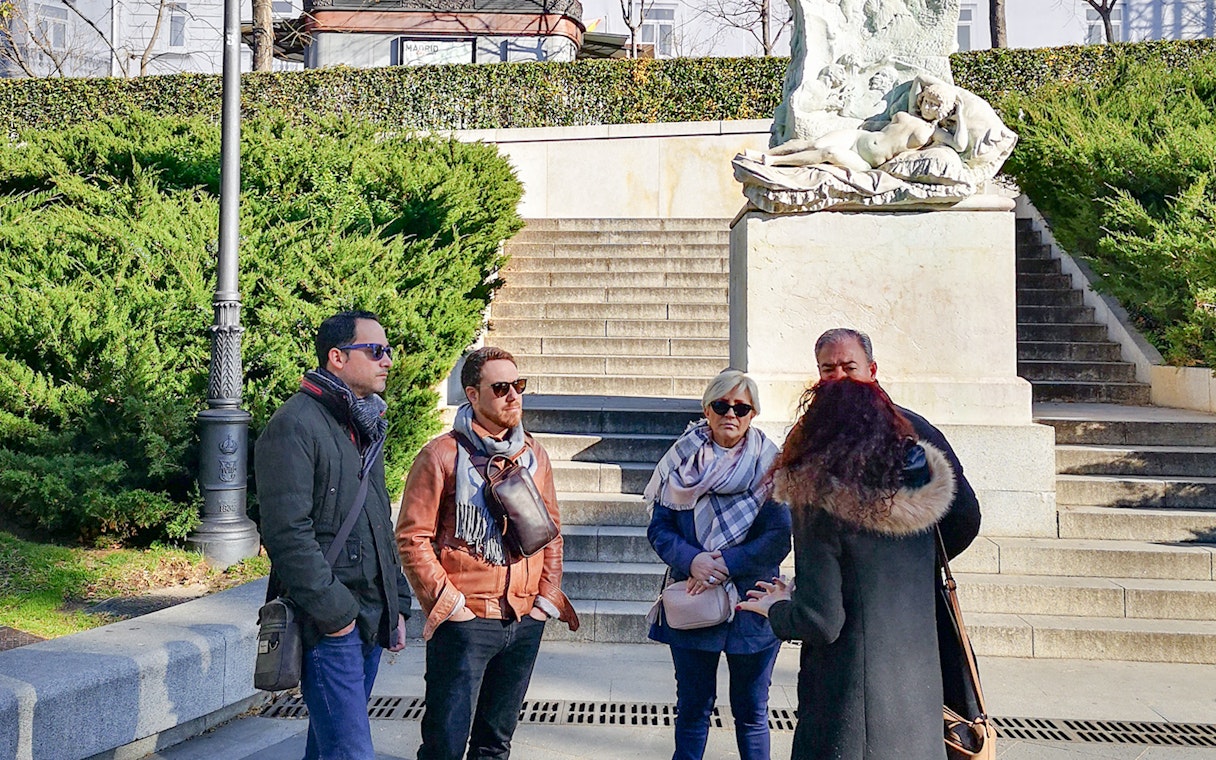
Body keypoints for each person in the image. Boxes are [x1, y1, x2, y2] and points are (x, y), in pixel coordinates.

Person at [738, 377, 966, 760]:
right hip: (918, 708)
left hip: (850, 714)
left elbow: (821, 621)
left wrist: (777, 607)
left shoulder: (820, 502)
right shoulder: (918, 493)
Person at [397, 346, 579, 760]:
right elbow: (412, 536)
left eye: (519, 385)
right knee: (444, 744)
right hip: (466, 620)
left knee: (495, 745)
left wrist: (545, 601)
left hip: (523, 618)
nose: (513, 395)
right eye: (500, 388)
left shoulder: (533, 454)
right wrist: (449, 603)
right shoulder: (441, 454)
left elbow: (550, 533)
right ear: (472, 395)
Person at [256, 310, 412, 760]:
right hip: (330, 624)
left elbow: (378, 522)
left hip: (367, 615)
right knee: (351, 752)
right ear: (337, 357)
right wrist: (336, 614)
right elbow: (287, 534)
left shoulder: (364, 425)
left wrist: (396, 604)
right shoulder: (294, 425)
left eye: (388, 351)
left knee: (329, 747)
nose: (387, 360)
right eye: (376, 351)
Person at [644, 369, 791, 760]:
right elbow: (659, 529)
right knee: (693, 709)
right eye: (721, 405)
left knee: (752, 712)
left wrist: (725, 562)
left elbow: (779, 537)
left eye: (741, 407)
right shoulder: (680, 461)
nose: (731, 414)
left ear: (753, 413)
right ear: (707, 410)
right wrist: (691, 560)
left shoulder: (772, 466)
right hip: (694, 598)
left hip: (752, 603)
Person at [811, 327, 979, 555]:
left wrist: (917, 566)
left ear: (871, 370)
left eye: (850, 368)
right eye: (828, 369)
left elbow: (964, 515)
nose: (839, 377)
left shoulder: (912, 430)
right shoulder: (809, 435)